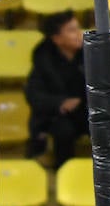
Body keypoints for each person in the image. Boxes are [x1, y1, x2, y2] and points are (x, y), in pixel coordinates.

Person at [25, 10, 88, 168]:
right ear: (57, 38)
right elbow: (34, 94)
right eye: (72, 30)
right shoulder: (43, 60)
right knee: (63, 129)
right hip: (56, 116)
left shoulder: (91, 54)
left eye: (78, 28)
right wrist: (61, 102)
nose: (79, 34)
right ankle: (64, 172)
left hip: (87, 110)